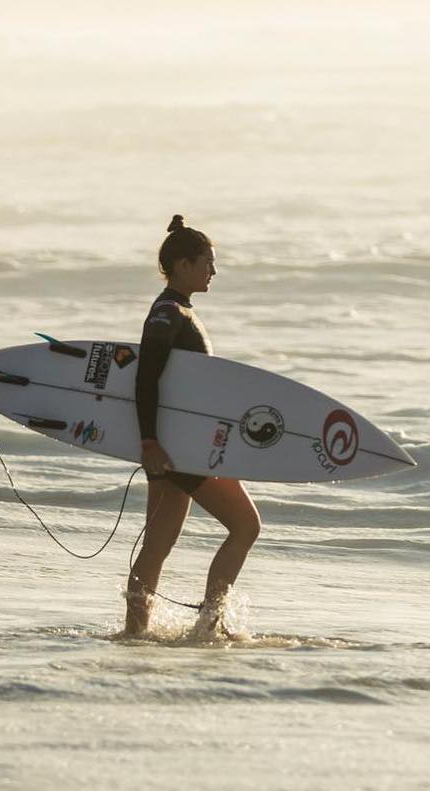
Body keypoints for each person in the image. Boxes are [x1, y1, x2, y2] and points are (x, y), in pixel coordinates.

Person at [124, 215, 262, 637]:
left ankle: (135, 633)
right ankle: (209, 624)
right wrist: (150, 442)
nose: (213, 271)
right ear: (183, 265)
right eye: (207, 262)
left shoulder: (176, 310)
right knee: (245, 526)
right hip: (177, 449)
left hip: (177, 445)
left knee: (158, 545)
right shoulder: (167, 315)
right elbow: (145, 377)